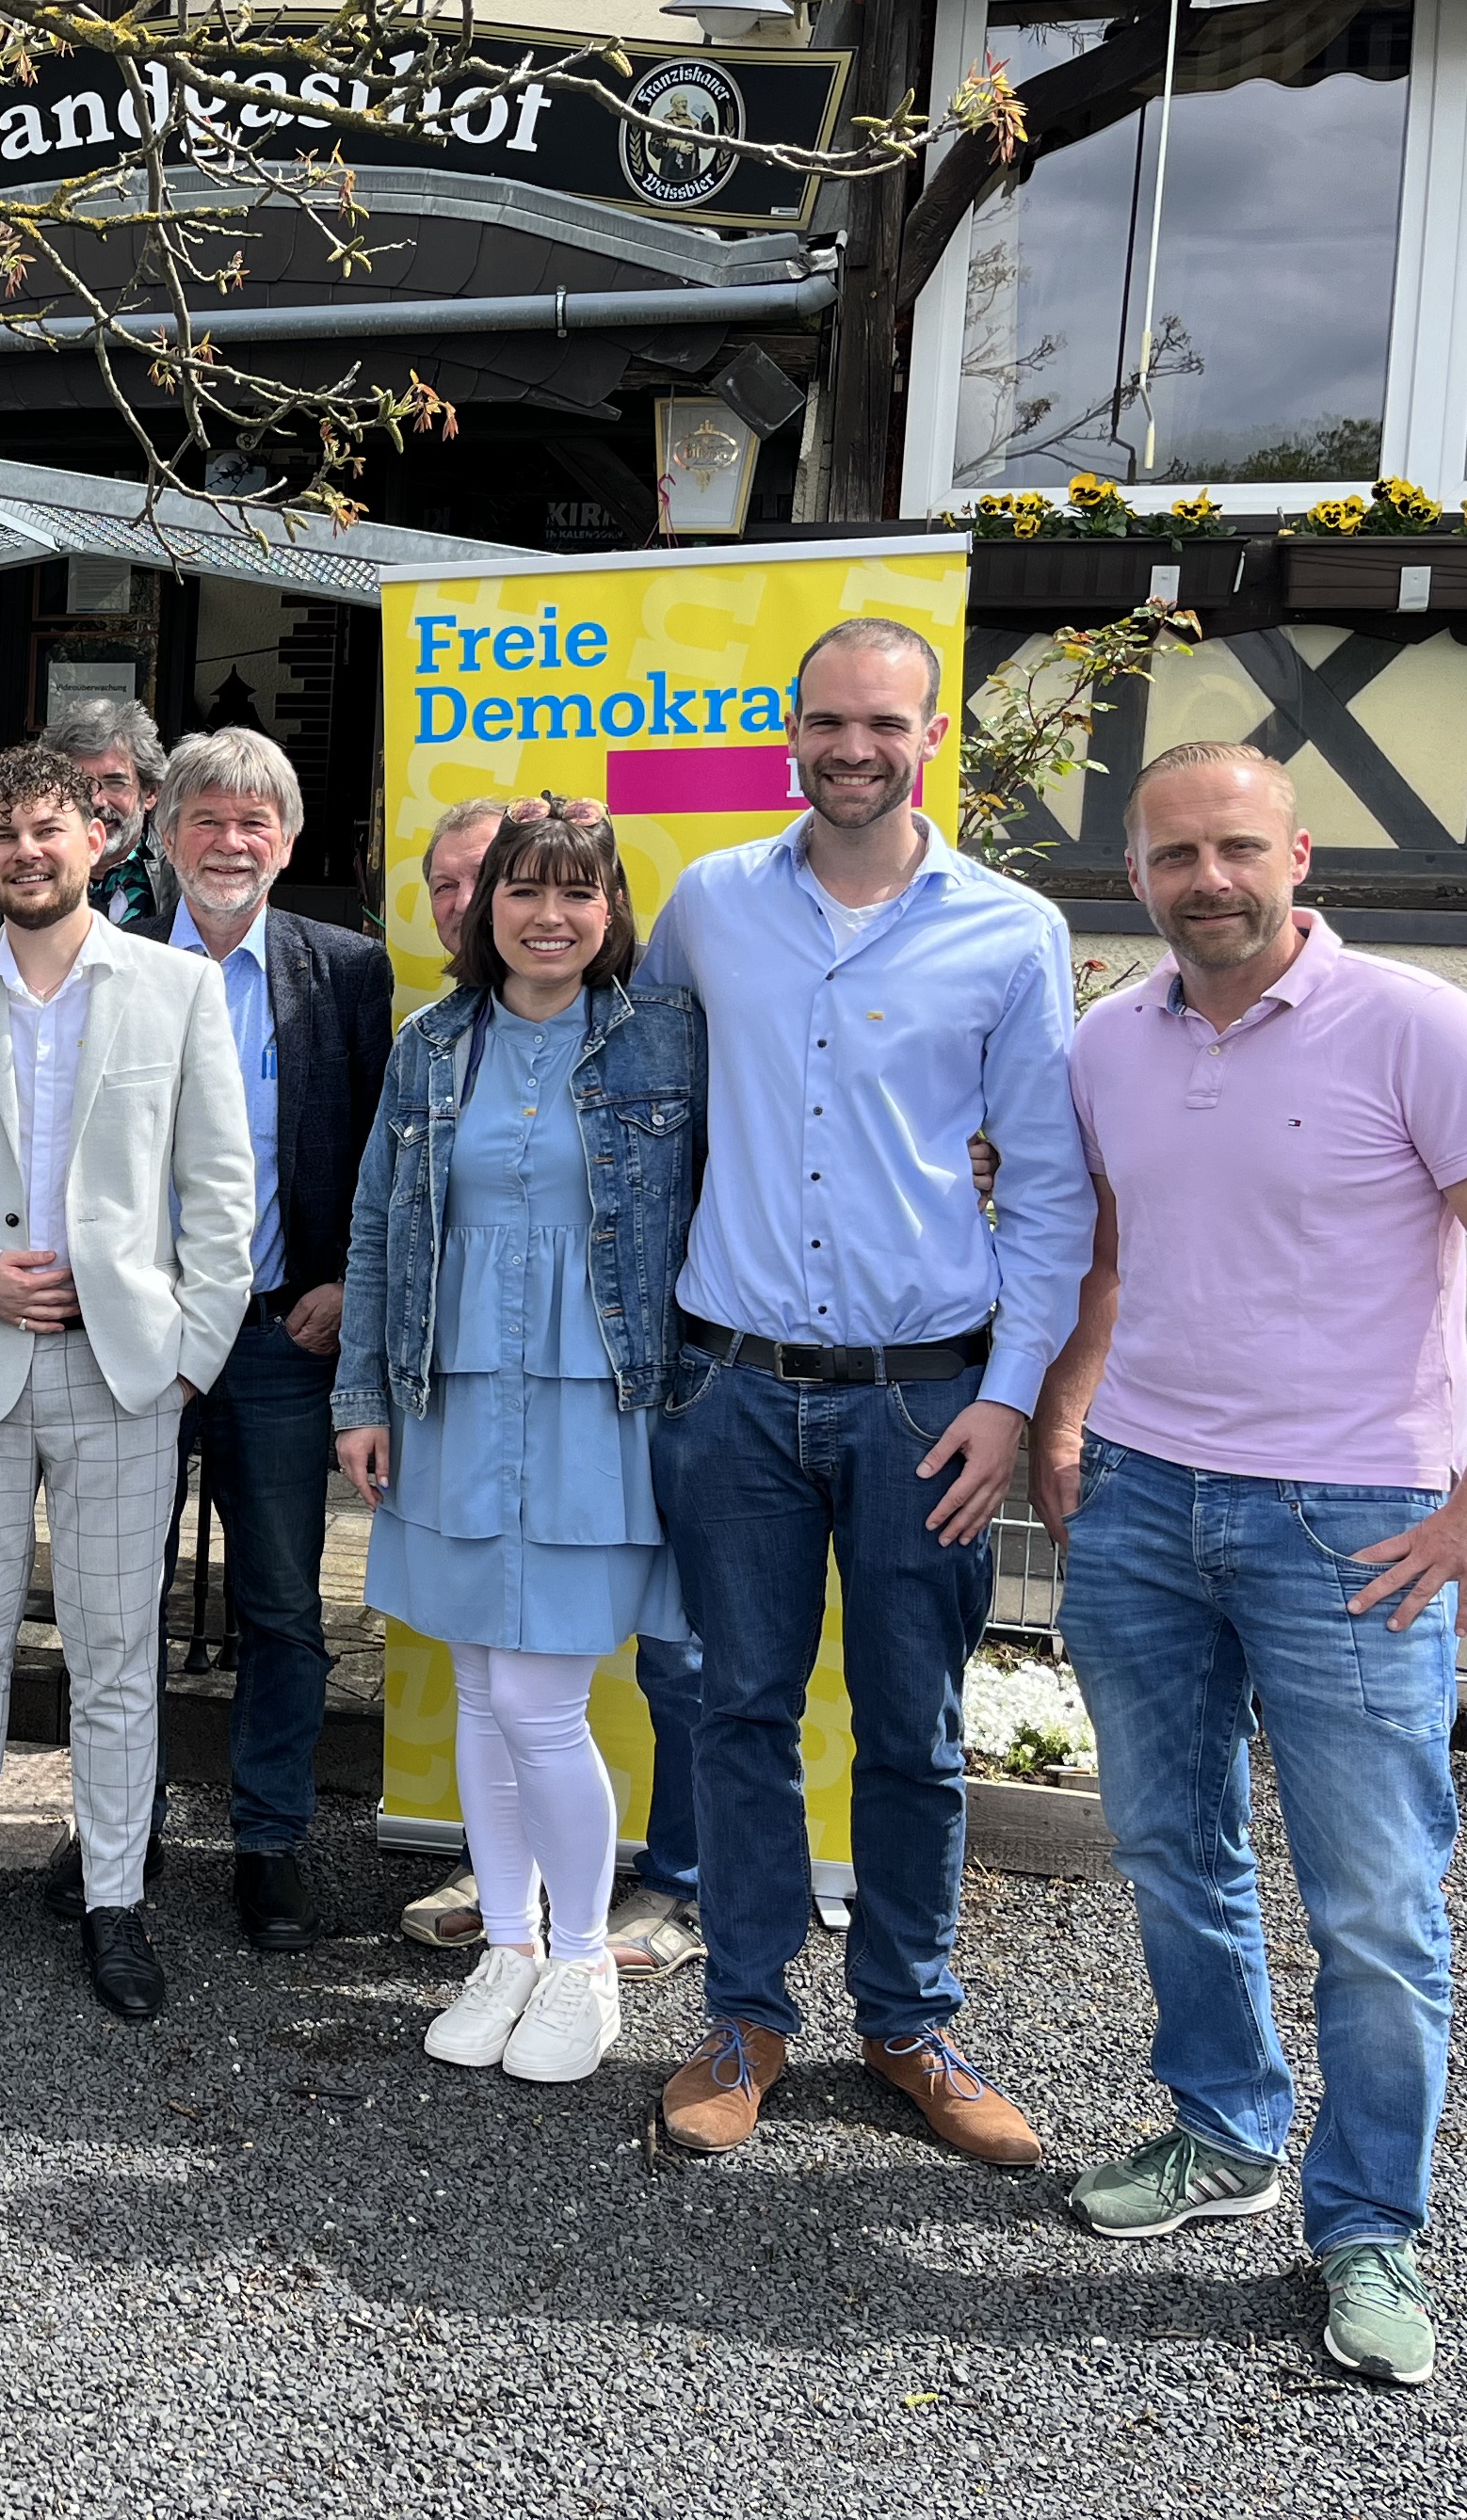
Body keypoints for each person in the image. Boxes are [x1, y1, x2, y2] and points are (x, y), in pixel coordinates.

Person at [1034, 743, 1467, 2387]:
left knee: (1370, 1897)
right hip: (1141, 1499)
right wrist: (1069, 1411)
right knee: (1166, 1842)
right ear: (1133, 874)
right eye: (1171, 854)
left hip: (1350, 1520)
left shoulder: (1414, 1024)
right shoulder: (1107, 1040)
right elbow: (1114, 1251)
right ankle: (1222, 2130)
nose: (1205, 876)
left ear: (1296, 851)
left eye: (1233, 846)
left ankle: (1366, 2225)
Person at [639, 618, 1096, 2164]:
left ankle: (906, 2021)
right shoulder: (706, 905)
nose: (850, 746)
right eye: (825, 719)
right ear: (793, 729)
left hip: (926, 1407)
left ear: (927, 736)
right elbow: (648, 1106)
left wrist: (1013, 1396)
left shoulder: (1011, 930)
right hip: (734, 1394)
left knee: (912, 1727)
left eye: (880, 722)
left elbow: (1047, 1188)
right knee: (739, 1706)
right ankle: (749, 2013)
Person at [0, 743, 256, 2022]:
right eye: (2, 832)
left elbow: (222, 1193)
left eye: (49, 827)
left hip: (124, 1374)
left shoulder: (178, 991)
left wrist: (190, 1356)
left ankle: (115, 1898)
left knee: (118, 1654)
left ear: (100, 841)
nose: (27, 850)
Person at [334, 799, 703, 2087]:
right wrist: (361, 1396)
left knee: (543, 1700)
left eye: (577, 894)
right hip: (451, 1394)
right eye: (523, 892)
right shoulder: (434, 1044)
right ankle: (508, 1943)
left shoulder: (665, 1039)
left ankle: (587, 1959)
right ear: (483, 908)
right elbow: (379, 1227)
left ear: (612, 915)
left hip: (594, 1403)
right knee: (485, 1698)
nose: (550, 917)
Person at [151, 728, 394, 1952]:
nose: (231, 841)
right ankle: (118, 1829)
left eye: (256, 822)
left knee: (287, 1606)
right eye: (208, 817)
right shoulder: (115, 964)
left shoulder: (346, 973)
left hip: (279, 1336)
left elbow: (382, 1148)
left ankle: (269, 1841)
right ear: (169, 833)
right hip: (140, 1342)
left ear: (287, 842)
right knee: (115, 1593)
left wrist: (351, 1277)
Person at [43, 693, 168, 932]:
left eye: (115, 783)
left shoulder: (181, 872)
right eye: (79, 784)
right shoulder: (33, 865)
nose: (96, 800)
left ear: (149, 793)